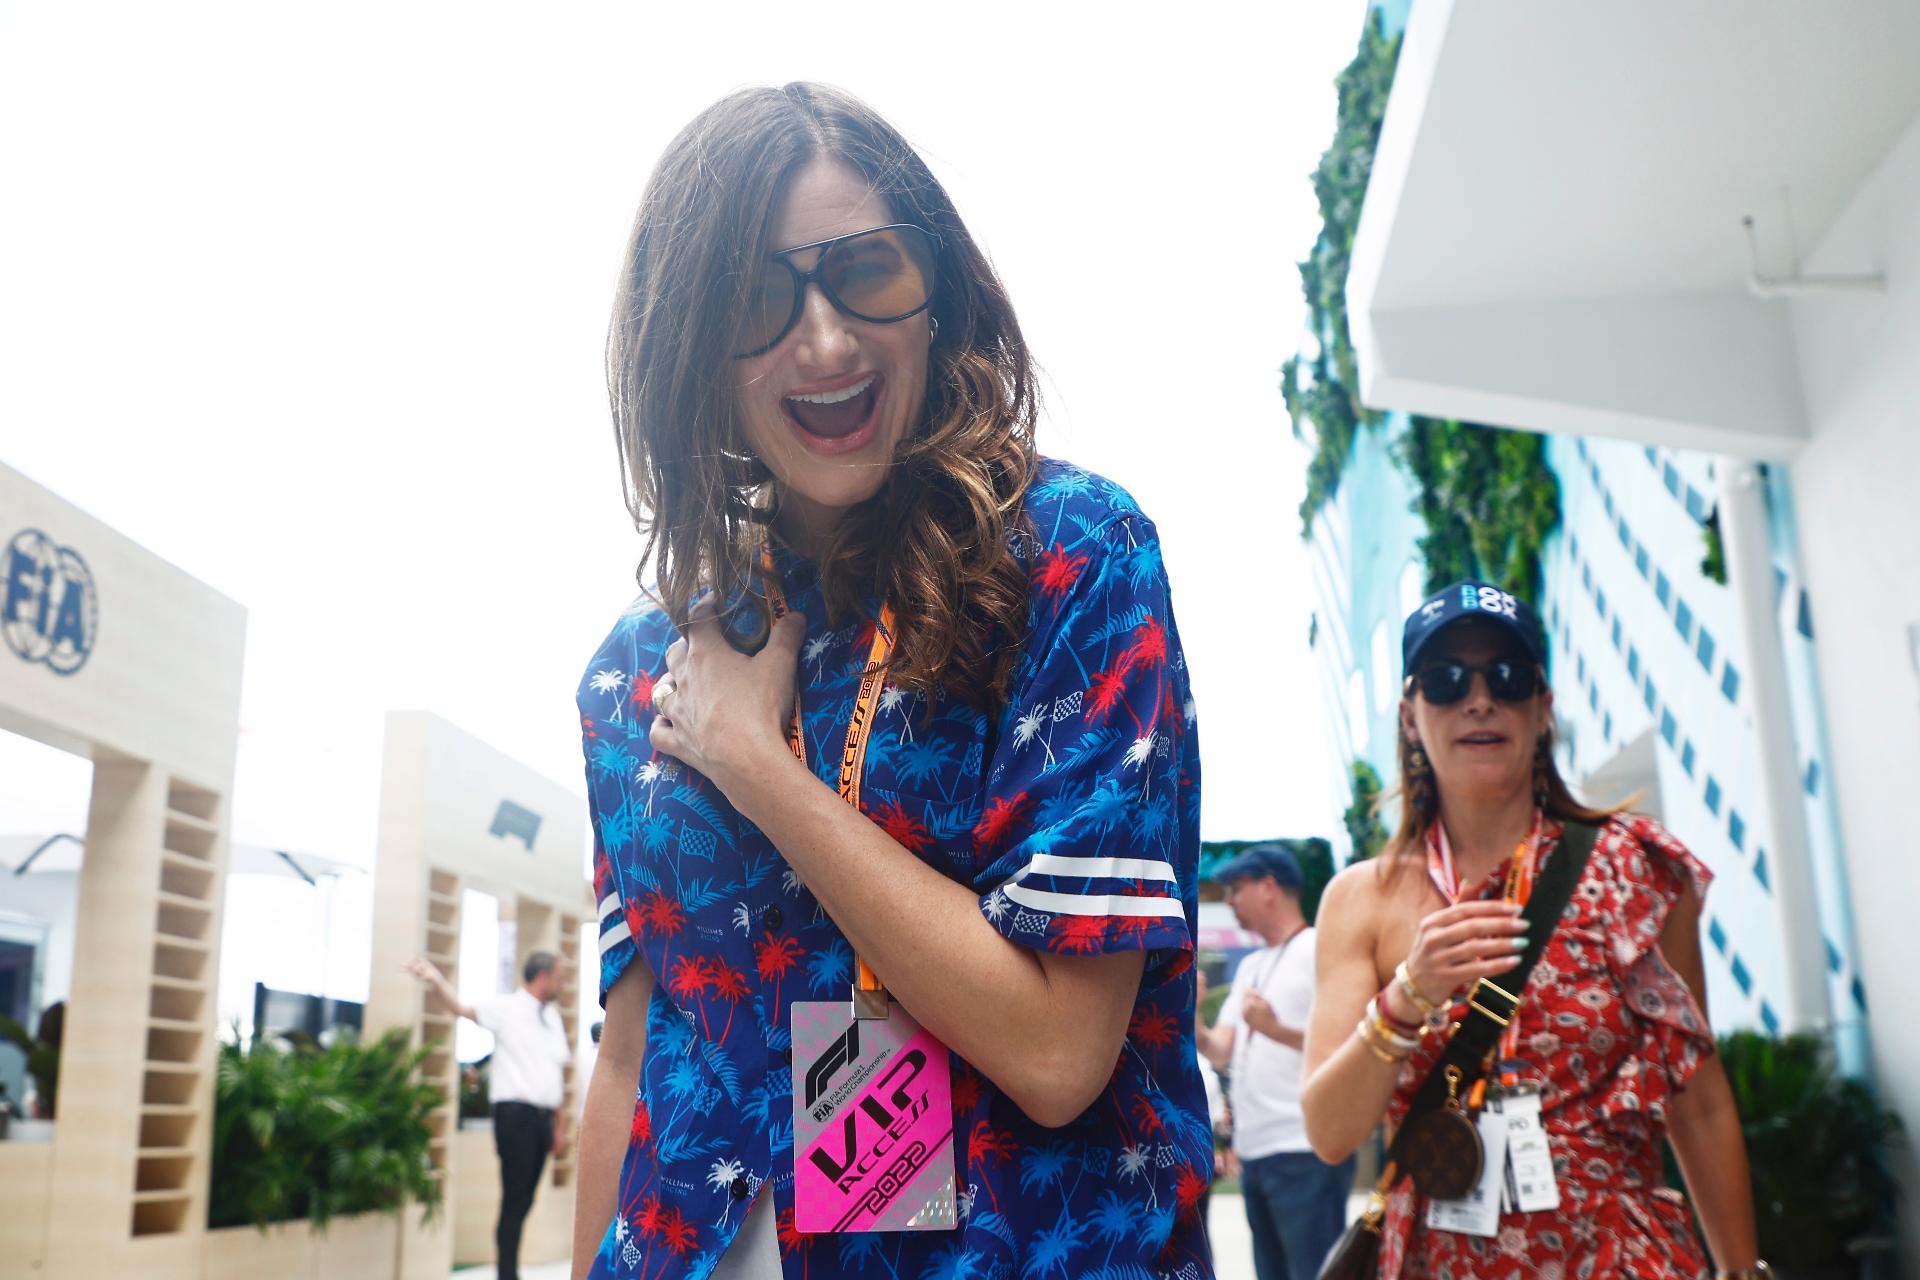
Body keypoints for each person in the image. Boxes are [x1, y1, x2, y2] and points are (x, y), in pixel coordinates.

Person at [573, 82, 1212, 1280]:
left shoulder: (1069, 560)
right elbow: (632, 1048)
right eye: (758, 297)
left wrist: (757, 766)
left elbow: (1061, 1049)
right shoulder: (628, 674)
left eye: (866, 271)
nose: (824, 339)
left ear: (939, 294)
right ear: (693, 351)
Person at [1301, 581, 1768, 1279]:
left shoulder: (1634, 869)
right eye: (1446, 679)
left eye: (1509, 677)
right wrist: (1408, 996)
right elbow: (1330, 1133)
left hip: (1619, 1254)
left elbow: (1696, 1101)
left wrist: (1740, 1272)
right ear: (1409, 714)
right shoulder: (1362, 900)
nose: (1479, 698)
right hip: (1439, 1257)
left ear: (1543, 708)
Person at [1194, 845, 1353, 1280]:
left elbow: (1353, 1044)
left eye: (1235, 888)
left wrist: (1275, 1029)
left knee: (1315, 1272)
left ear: (1269, 887)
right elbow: (1221, 1050)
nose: (1228, 900)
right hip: (1258, 1151)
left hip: (1306, 1147)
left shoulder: (1322, 949)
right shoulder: (1252, 967)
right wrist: (1192, 1016)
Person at [409, 952, 573, 1280]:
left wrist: (559, 1128)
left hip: (543, 1121)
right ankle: (507, 1274)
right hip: (515, 1117)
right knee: (515, 1198)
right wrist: (435, 979)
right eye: (559, 976)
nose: (563, 983)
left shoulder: (552, 1018)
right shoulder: (507, 1008)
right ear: (542, 976)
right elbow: (460, 1009)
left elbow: (556, 1074)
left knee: (525, 1199)